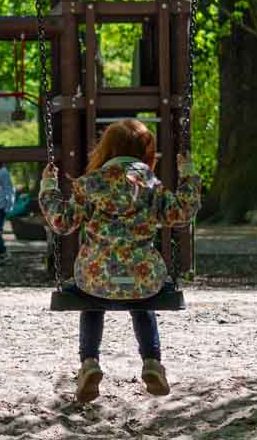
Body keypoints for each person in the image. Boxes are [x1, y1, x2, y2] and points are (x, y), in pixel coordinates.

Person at [39, 119, 199, 404]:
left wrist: (48, 187)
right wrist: (187, 173)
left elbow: (62, 223)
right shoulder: (150, 183)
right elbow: (182, 213)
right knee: (143, 305)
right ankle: (152, 362)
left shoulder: (91, 184)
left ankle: (89, 363)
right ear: (144, 151)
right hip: (143, 279)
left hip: (96, 279)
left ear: (106, 148)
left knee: (91, 305)